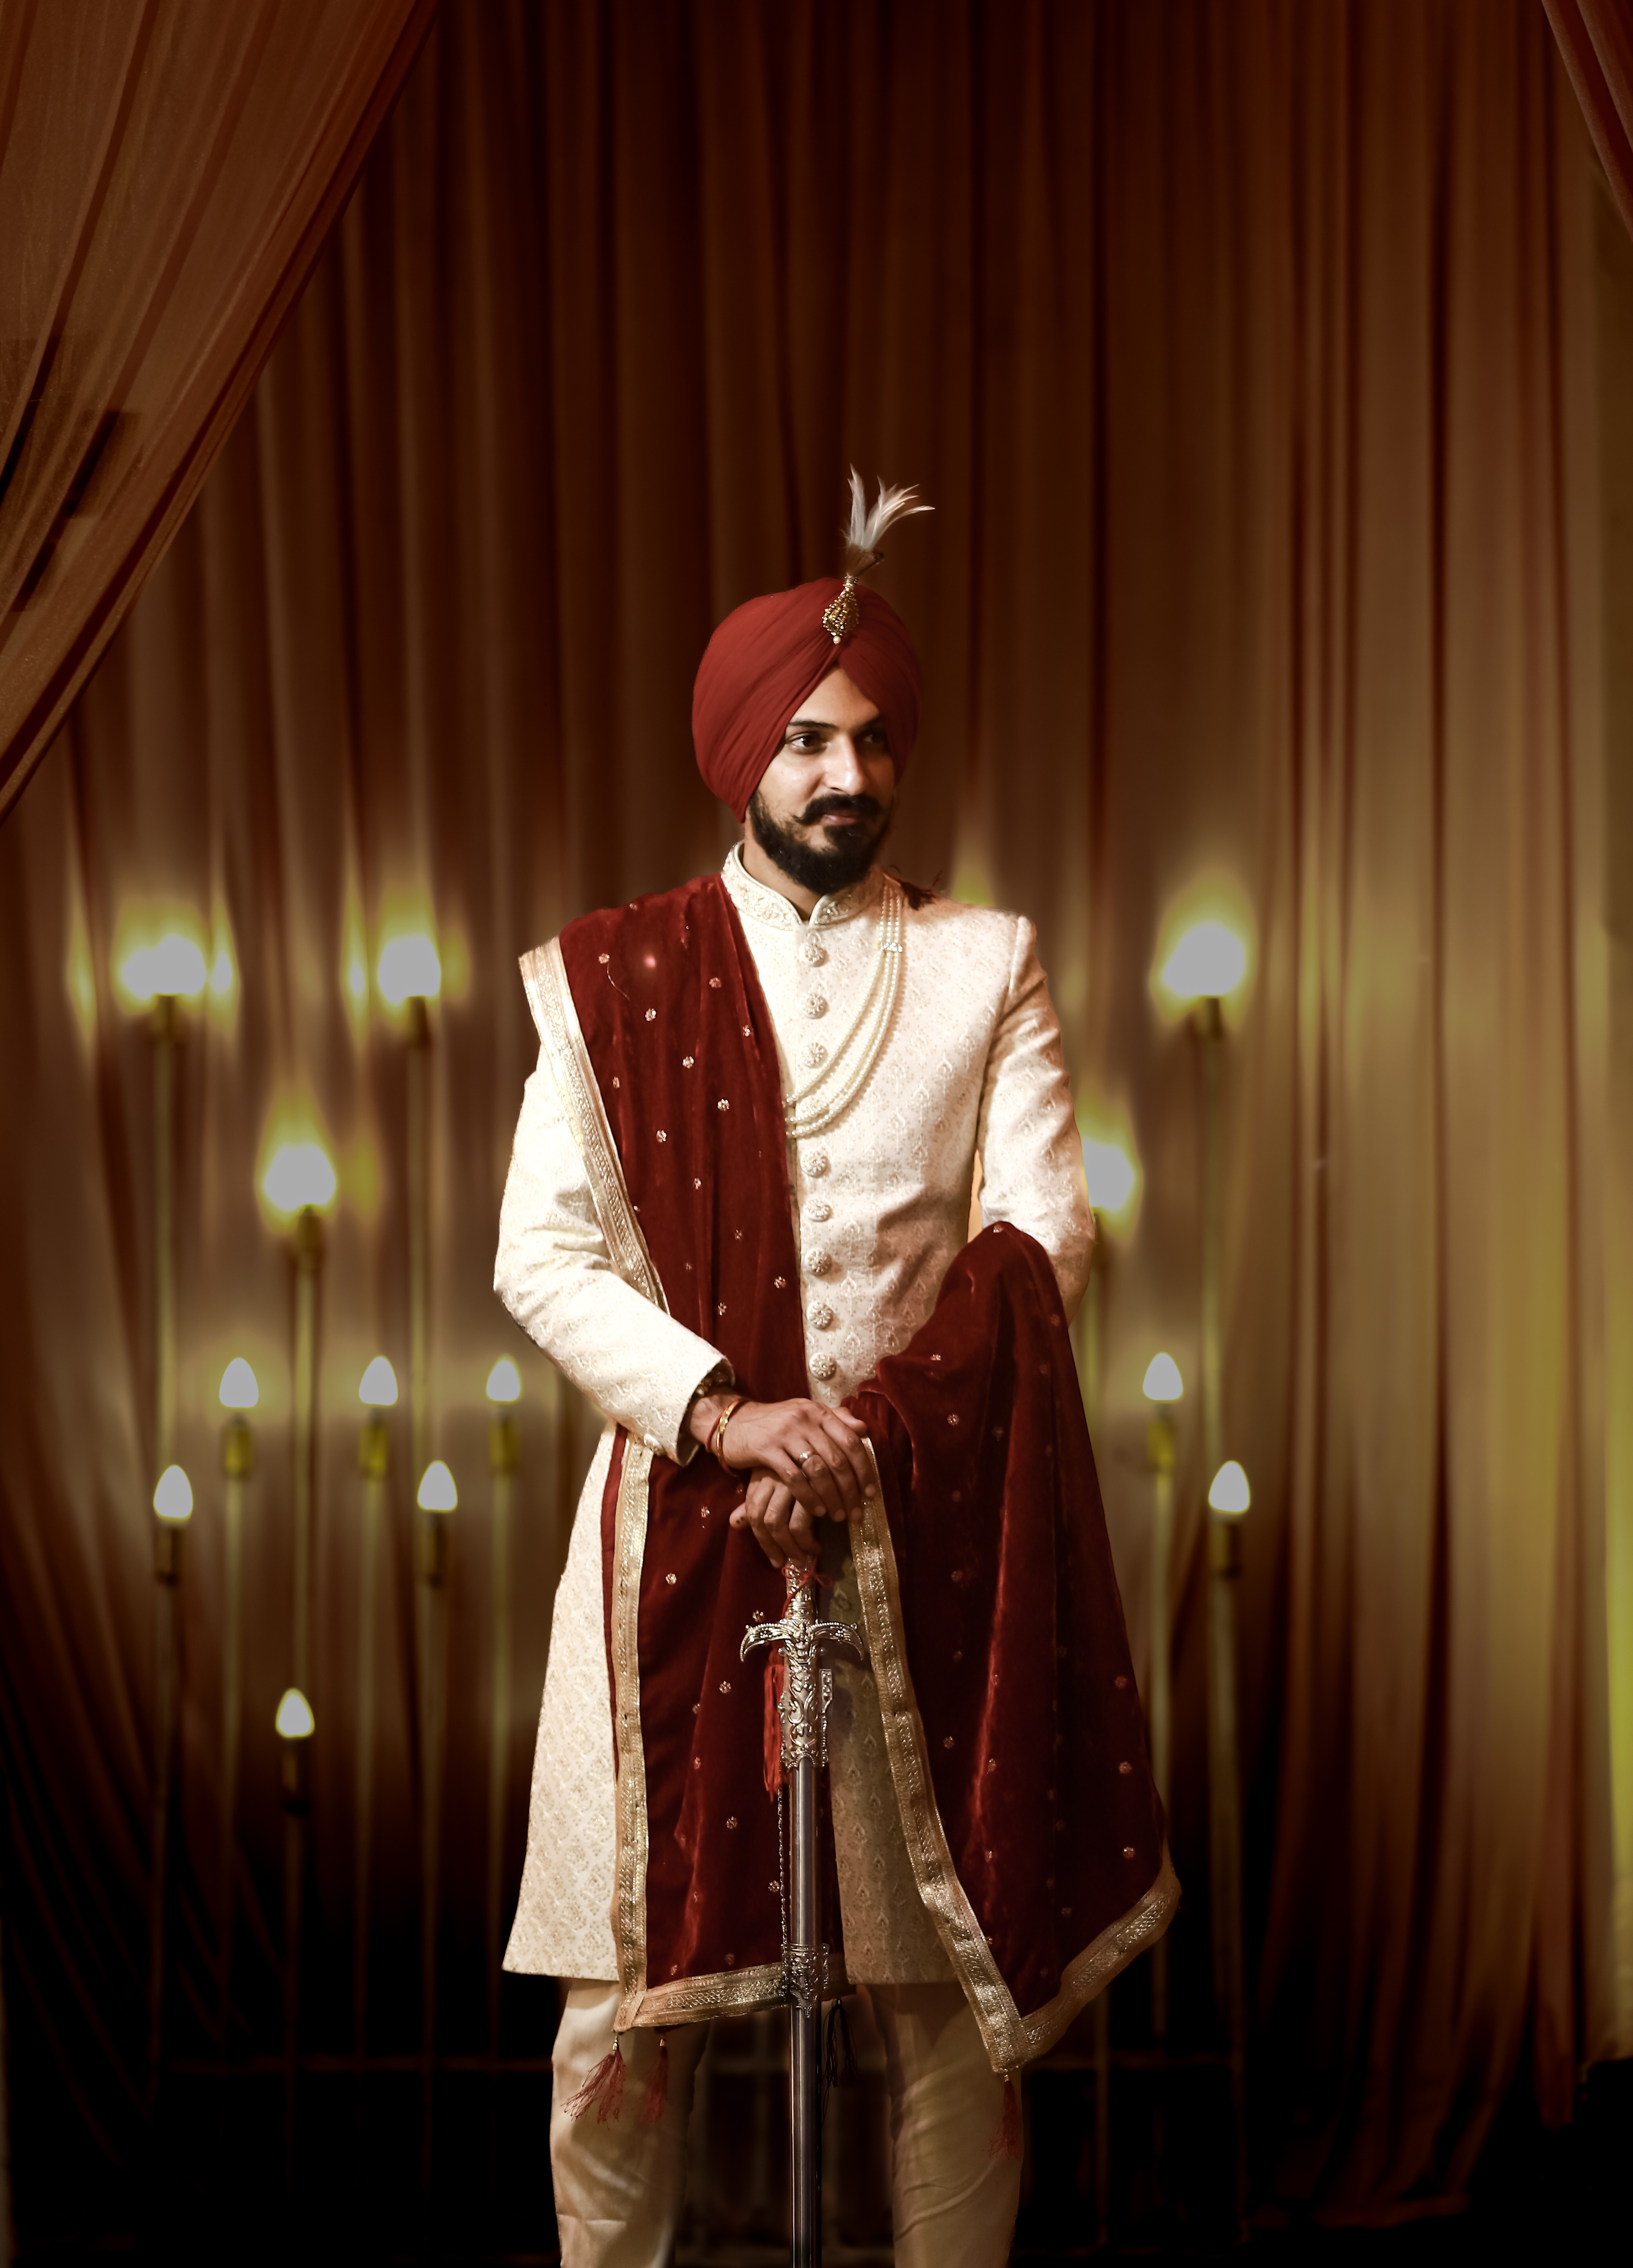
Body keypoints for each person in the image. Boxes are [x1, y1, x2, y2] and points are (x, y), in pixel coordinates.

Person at [495, 475, 1173, 2268]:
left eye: (868, 740)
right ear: (740, 755)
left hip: (916, 1531)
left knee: (944, 2009)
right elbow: (539, 1254)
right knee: (611, 2028)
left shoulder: (983, 964)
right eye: (801, 740)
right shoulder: (611, 978)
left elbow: (1042, 1237)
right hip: (673, 1531)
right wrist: (725, 1411)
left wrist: (855, 1436)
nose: (842, 775)